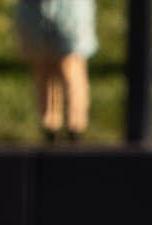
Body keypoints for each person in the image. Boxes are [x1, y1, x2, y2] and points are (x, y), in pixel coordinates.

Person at [15, 0, 97, 143]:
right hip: (35, 10)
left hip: (69, 9)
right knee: (44, 67)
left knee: (70, 66)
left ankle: (75, 129)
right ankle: (50, 129)